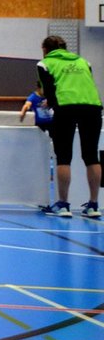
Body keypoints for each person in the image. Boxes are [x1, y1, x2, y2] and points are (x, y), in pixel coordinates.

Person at [36, 35, 102, 218]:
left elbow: (48, 90)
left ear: (45, 50)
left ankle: (63, 205)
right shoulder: (83, 62)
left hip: (66, 108)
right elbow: (85, 84)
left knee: (64, 156)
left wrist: (49, 102)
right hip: (93, 107)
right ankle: (94, 205)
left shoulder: (44, 63)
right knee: (91, 156)